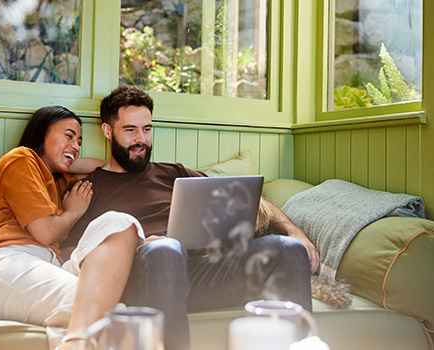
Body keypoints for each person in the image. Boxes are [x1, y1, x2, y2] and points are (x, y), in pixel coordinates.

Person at [61, 86, 321, 350]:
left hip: (199, 274)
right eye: (131, 130)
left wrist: (294, 232)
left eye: (147, 129)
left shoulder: (174, 173)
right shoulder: (89, 188)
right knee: (166, 248)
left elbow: (250, 200)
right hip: (144, 276)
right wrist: (135, 243)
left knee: (288, 249)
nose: (141, 139)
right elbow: (74, 253)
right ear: (108, 131)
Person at [0, 105, 146, 350]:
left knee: (122, 222)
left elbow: (99, 165)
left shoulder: (57, 181)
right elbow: (45, 232)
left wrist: (64, 157)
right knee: (104, 313)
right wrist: (73, 212)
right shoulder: (20, 159)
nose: (76, 146)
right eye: (68, 136)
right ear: (41, 134)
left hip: (47, 265)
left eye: (79, 141)